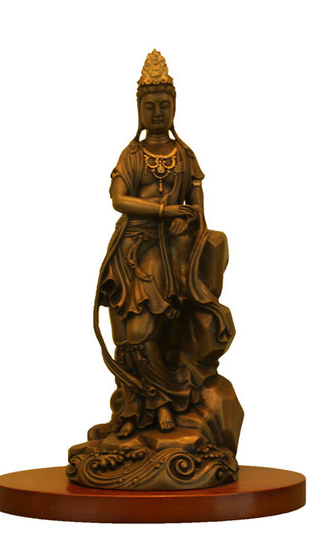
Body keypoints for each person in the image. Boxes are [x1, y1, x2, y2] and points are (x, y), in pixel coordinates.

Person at [94, 50, 235, 440]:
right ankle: (132, 408)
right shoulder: (132, 155)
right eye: (150, 106)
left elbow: (197, 206)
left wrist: (187, 222)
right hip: (130, 249)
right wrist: (163, 210)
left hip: (167, 251)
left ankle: (162, 401)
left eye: (164, 105)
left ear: (174, 108)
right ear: (139, 110)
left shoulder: (184, 156)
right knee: (126, 334)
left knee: (149, 330)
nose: (157, 112)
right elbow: (119, 199)